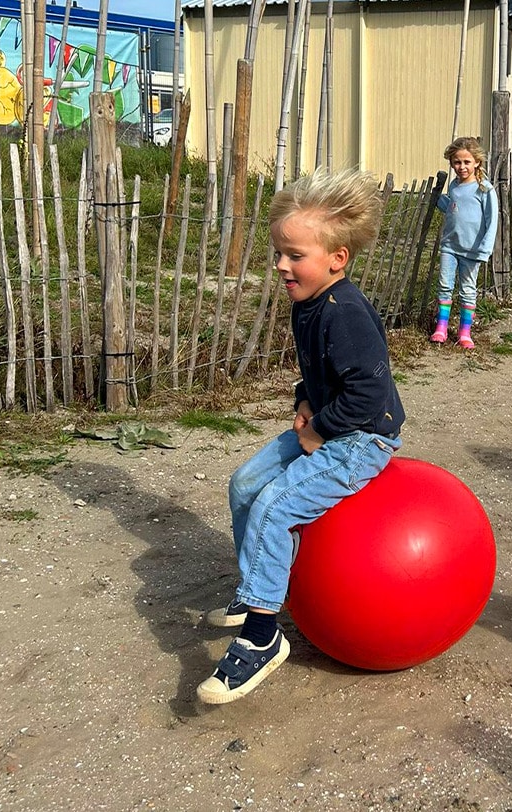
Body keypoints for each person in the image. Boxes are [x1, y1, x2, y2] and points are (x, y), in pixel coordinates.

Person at [198, 169, 406, 705]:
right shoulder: (309, 304)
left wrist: (319, 429)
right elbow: (319, 372)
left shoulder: (347, 313)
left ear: (336, 258)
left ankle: (263, 637)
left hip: (362, 440)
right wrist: (305, 400)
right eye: (279, 253)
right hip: (330, 421)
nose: (281, 265)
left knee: (273, 506)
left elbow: (369, 394)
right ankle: (257, 594)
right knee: (245, 484)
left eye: (294, 255)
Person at [431, 136, 500, 349]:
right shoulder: (454, 186)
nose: (461, 167)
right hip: (450, 246)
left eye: (466, 162)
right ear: (451, 163)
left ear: (477, 162)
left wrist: (485, 249)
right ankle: (441, 328)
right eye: (457, 162)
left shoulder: (484, 189)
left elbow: (492, 219)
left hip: (472, 250)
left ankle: (464, 332)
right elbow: (454, 207)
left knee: (468, 289)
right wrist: (437, 199)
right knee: (444, 286)